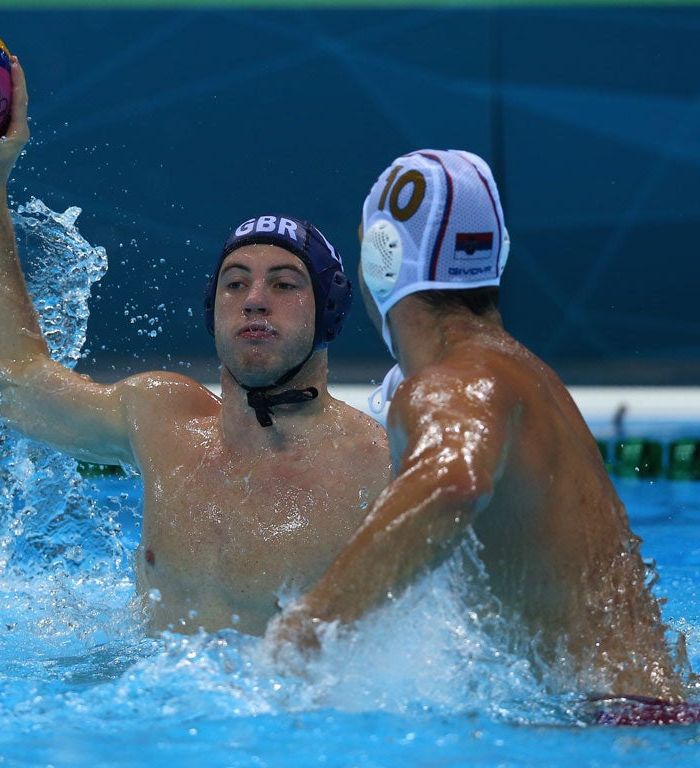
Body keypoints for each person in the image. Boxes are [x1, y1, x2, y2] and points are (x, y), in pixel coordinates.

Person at [0, 56, 390, 636]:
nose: (255, 299)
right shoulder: (162, 422)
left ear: (330, 311)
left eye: (286, 284)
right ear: (213, 309)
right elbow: (15, 382)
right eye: (235, 283)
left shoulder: (378, 464)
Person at [267, 149, 695, 713]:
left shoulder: (450, 383)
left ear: (382, 259)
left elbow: (453, 483)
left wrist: (307, 627)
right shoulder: (524, 373)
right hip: (642, 714)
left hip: (613, 724)